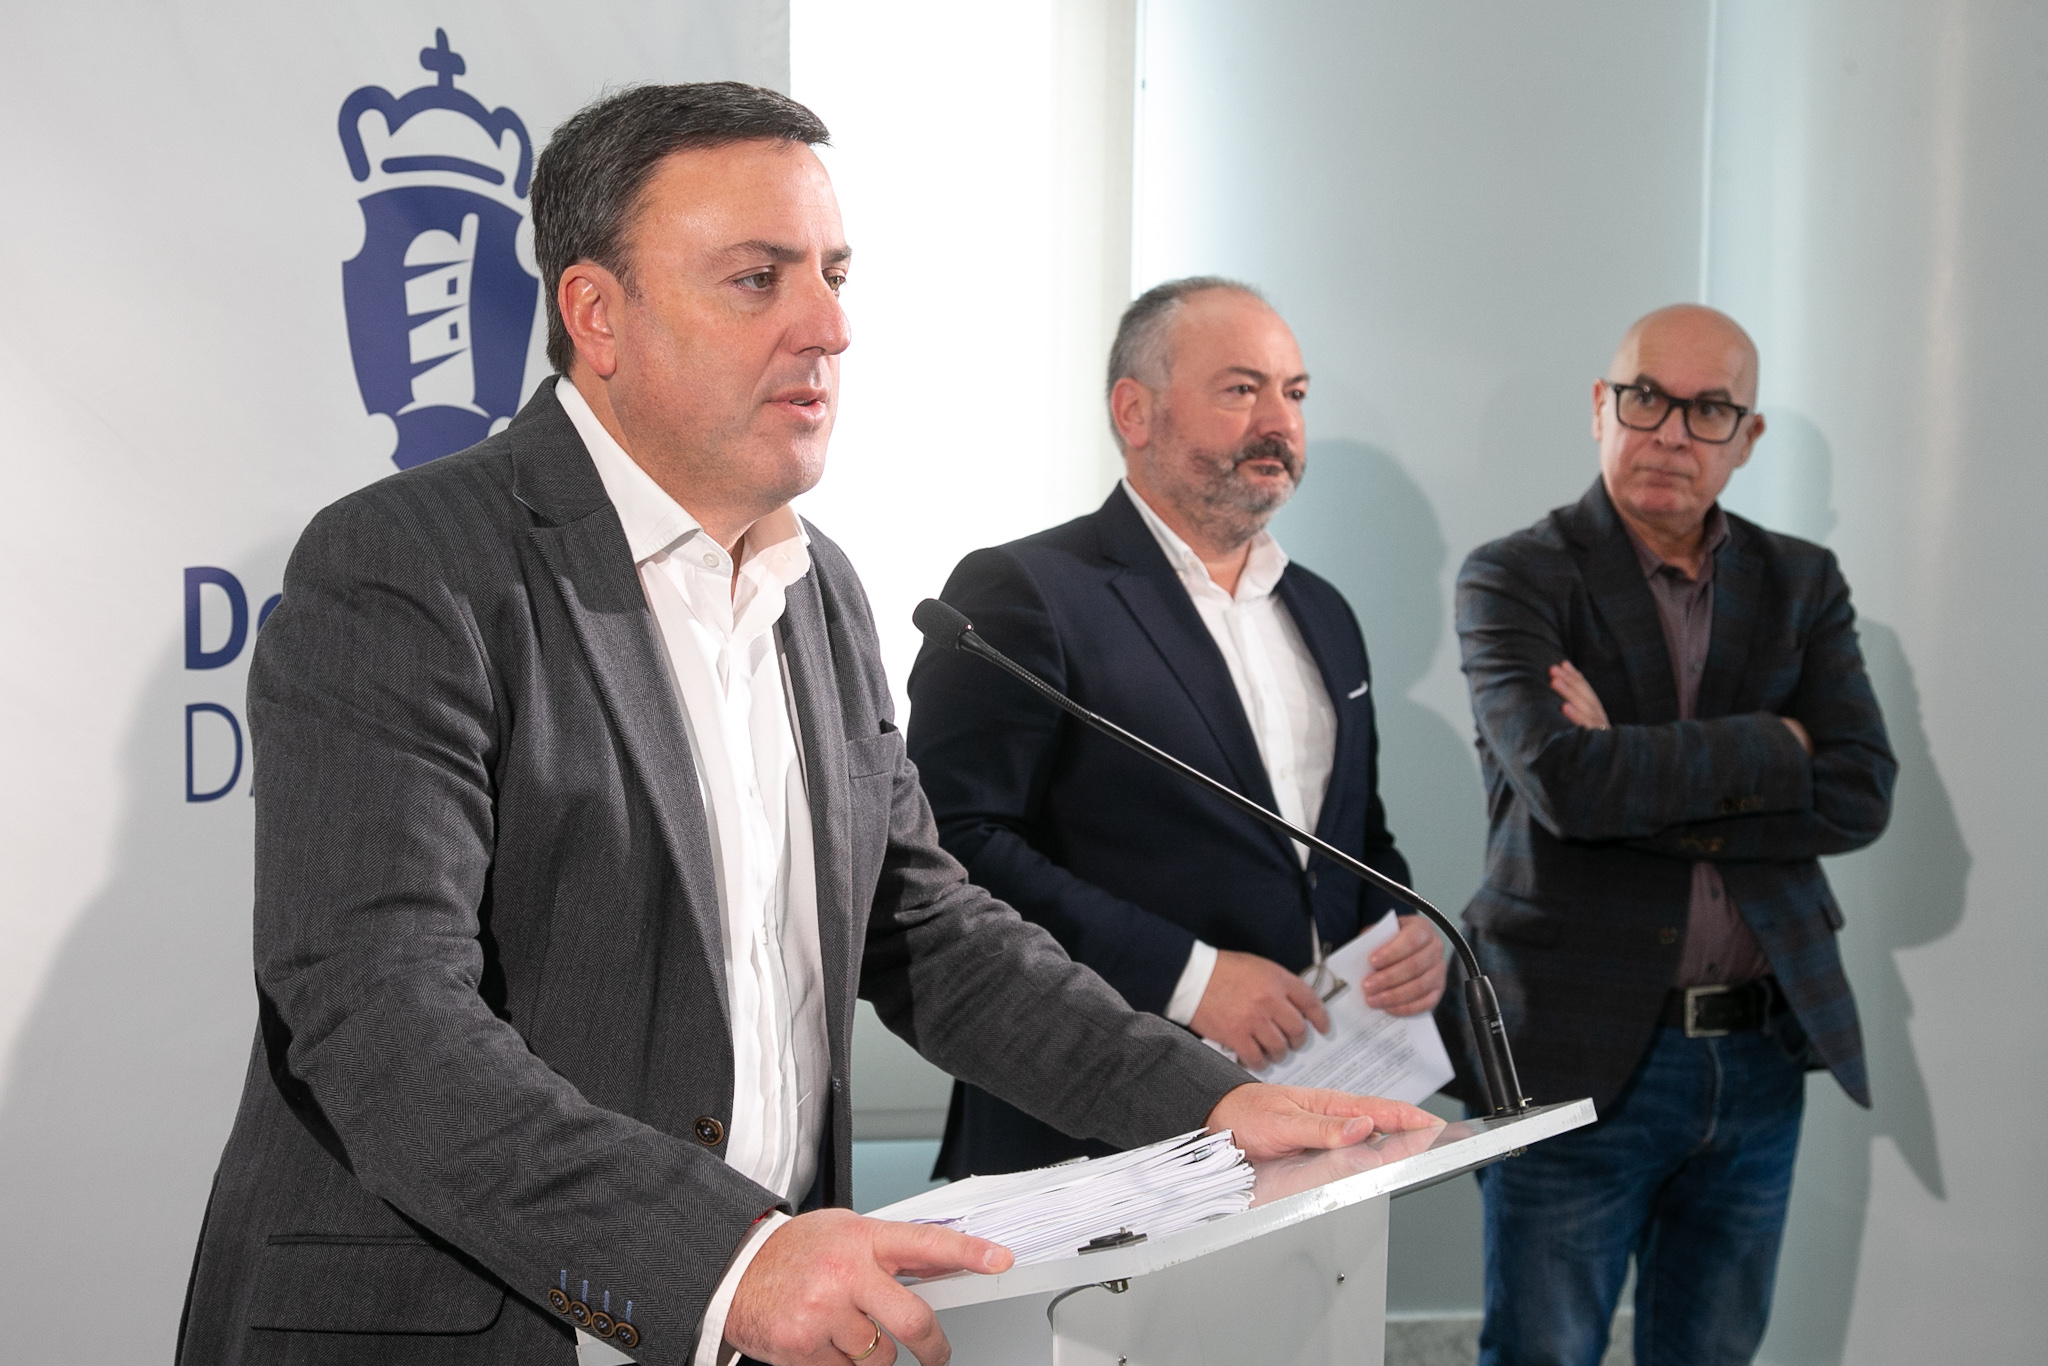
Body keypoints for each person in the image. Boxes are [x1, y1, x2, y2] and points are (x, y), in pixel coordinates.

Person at [173, 87, 1434, 1366]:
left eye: (833, 274)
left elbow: (927, 933)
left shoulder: (817, 587)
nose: (828, 326)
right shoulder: (408, 563)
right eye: (755, 278)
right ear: (596, 316)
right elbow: (378, 1013)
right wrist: (722, 1257)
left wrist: (1211, 1104)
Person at [907, 277, 1449, 1180]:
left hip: (1317, 1115)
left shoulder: (1323, 611)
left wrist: (1402, 927)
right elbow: (951, 844)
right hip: (1093, 1129)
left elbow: (1351, 838)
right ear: (1135, 411)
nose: (1278, 422)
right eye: (1241, 390)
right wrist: (1189, 977)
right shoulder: (1026, 591)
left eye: (1294, 393)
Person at [1445, 304, 1896, 1366]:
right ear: (1599, 407)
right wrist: (1775, 746)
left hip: (1759, 1052)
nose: (1670, 434)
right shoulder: (1514, 576)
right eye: (1645, 398)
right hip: (1570, 1041)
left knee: (1713, 1354)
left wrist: (1635, 758)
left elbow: (1859, 794)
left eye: (1708, 411)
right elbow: (1567, 787)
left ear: (1747, 437)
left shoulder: (1802, 582)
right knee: (1541, 1352)